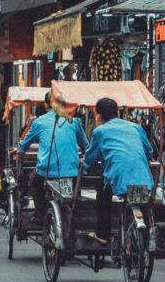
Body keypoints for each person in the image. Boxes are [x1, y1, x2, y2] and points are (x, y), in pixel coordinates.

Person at [82, 97, 154, 244]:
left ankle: (103, 234)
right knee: (143, 203)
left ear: (99, 115)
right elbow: (149, 151)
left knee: (102, 190)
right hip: (143, 179)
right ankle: (147, 237)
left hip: (118, 179)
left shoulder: (100, 131)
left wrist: (86, 169)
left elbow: (90, 159)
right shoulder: (136, 128)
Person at [15, 91, 88, 224]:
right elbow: (85, 146)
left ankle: (41, 215)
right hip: (71, 170)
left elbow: (23, 145)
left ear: (46, 105)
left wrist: (19, 148)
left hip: (47, 170)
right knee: (75, 192)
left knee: (33, 183)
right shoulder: (75, 121)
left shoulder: (39, 122)